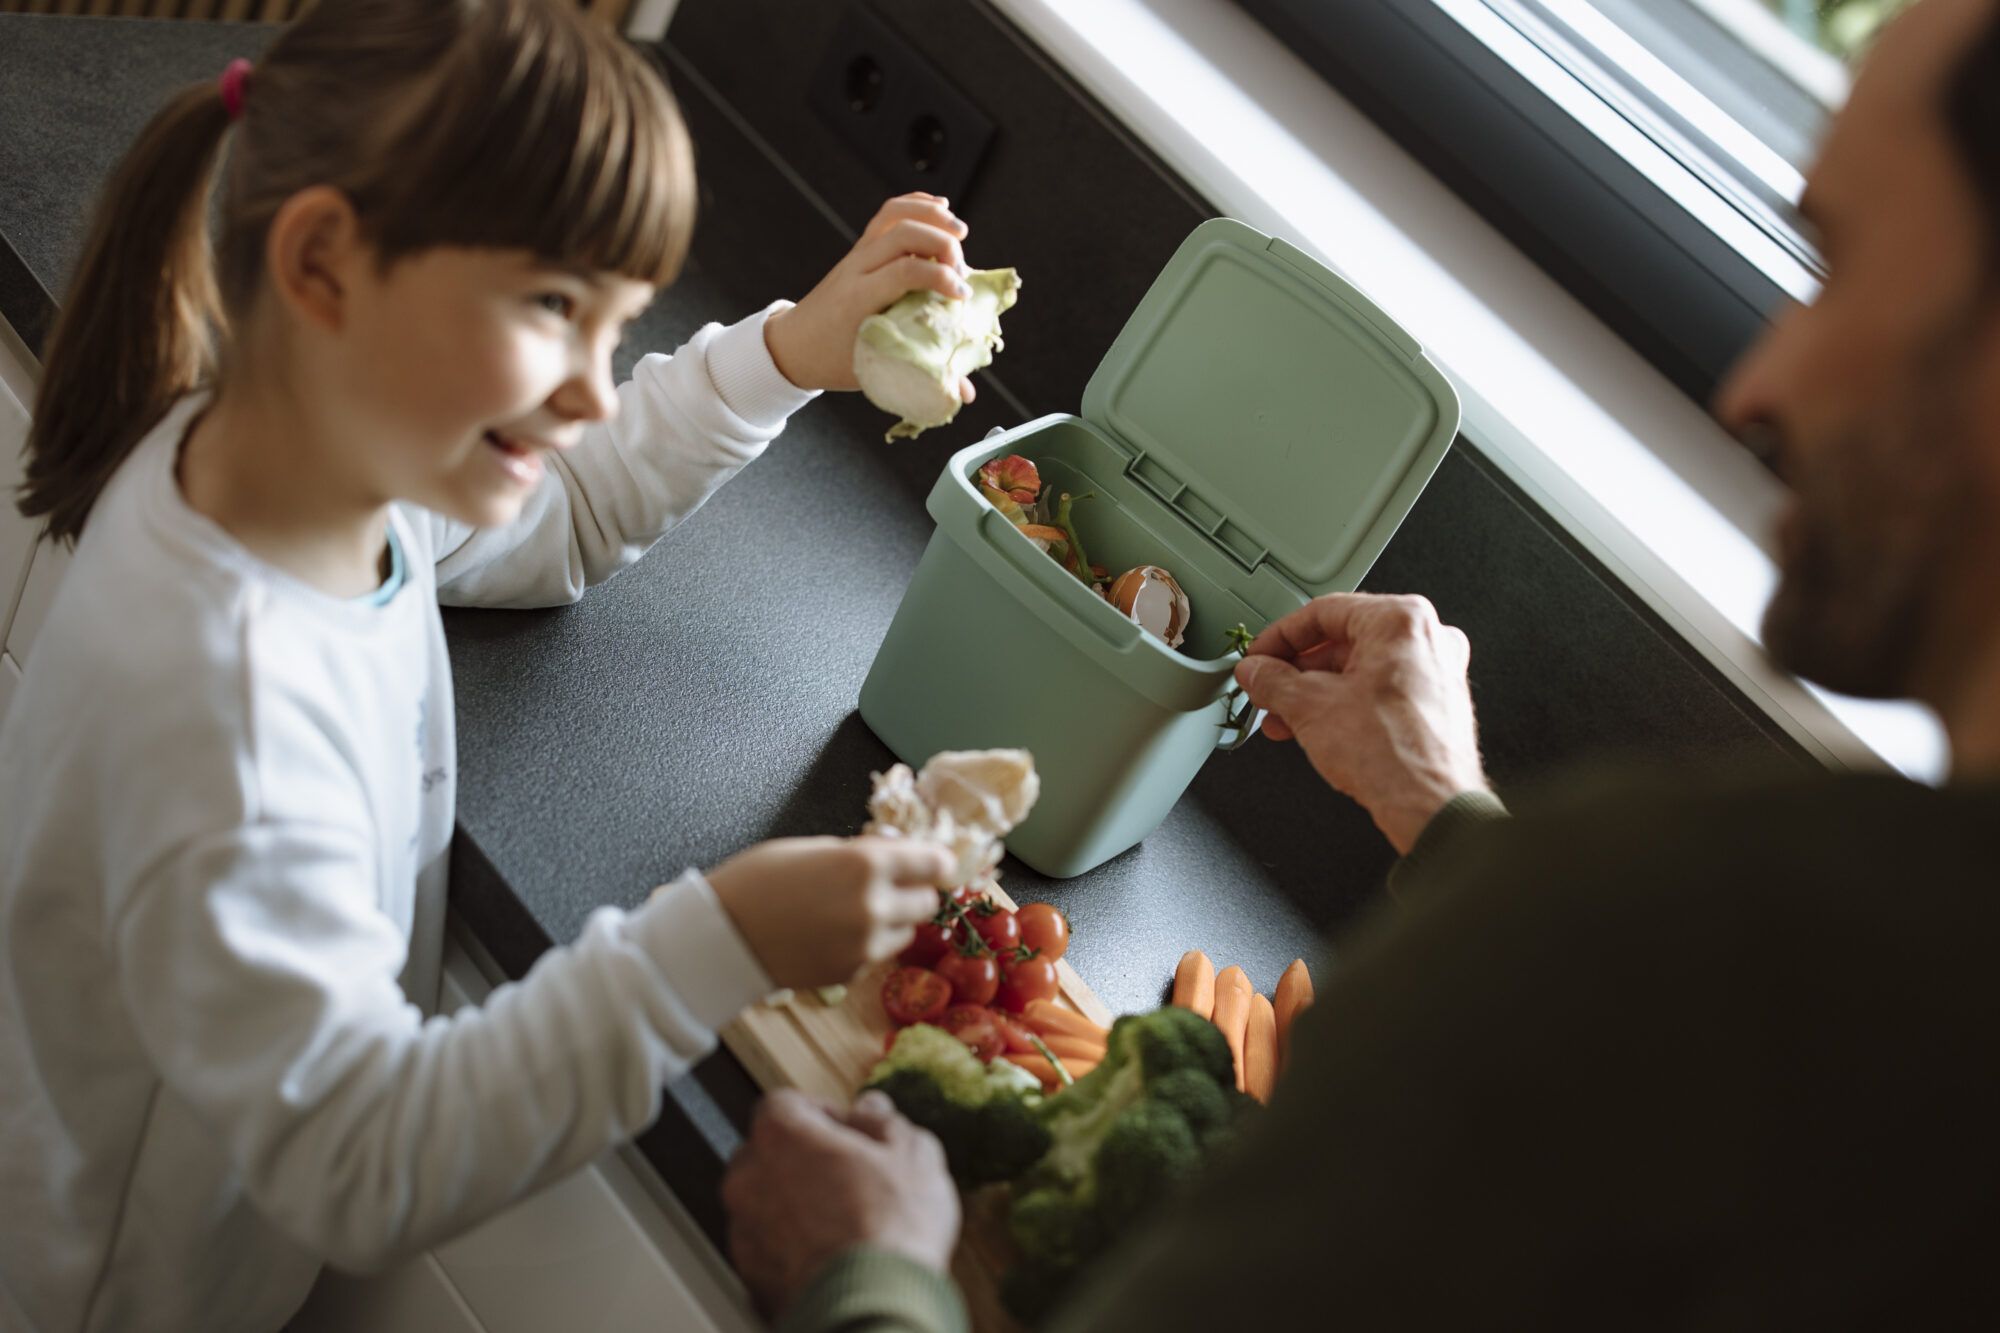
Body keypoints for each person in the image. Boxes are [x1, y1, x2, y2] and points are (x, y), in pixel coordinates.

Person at [720, 0, 2000, 1327]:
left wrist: (861, 1277)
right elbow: (1666, 1094)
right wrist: (1446, 813)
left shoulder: (1694, 921)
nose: (1754, 387)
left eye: (1842, 268)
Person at [0, 1, 995, 1328]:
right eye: (551, 308)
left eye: (617, 321)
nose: (593, 386)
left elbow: (569, 514)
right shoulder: (225, 724)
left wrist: (782, 358)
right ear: (325, 266)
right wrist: (724, 935)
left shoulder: (316, 464)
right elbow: (360, 1170)